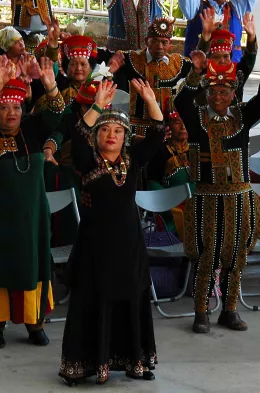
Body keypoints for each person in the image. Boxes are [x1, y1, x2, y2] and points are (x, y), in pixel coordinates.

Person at [59, 79, 168, 386]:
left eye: (118, 131)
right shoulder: (86, 160)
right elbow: (77, 134)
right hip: (95, 249)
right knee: (95, 301)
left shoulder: (132, 161)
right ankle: (87, 365)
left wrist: (151, 101)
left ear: (125, 138)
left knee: (131, 300)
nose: (111, 135)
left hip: (129, 248)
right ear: (98, 136)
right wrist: (97, 105)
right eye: (105, 130)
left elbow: (158, 134)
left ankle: (133, 361)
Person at [174, 47, 260, 333]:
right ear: (206, 94)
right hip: (207, 196)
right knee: (207, 254)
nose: (218, 97)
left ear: (233, 93)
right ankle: (201, 311)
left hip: (239, 197)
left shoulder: (242, 116)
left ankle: (230, 309)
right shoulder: (196, 119)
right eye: (213, 92)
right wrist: (195, 72)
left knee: (235, 253)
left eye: (224, 92)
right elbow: (181, 100)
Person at [0, 55, 66, 349]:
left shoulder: (32, 130)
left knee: (34, 264)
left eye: (15, 106)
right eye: (2, 107)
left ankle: (34, 323)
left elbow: (57, 116)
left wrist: (49, 85)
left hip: (34, 219)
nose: (10, 113)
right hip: (2, 220)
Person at [113, 17, 192, 137]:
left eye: (164, 42)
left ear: (170, 44)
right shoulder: (130, 59)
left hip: (167, 127)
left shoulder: (178, 63)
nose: (159, 46)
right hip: (137, 128)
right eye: (155, 41)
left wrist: (205, 40)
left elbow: (198, 69)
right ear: (146, 41)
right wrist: (109, 70)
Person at [147, 96, 195, 239]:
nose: (183, 127)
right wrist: (171, 207)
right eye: (177, 122)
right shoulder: (160, 151)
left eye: (186, 122)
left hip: (197, 205)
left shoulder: (196, 148)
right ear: (167, 124)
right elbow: (152, 184)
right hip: (170, 210)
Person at [195, 8, 257, 102]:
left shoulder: (237, 73)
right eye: (216, 57)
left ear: (230, 57)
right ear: (209, 58)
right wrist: (206, 35)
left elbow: (249, 60)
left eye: (226, 56)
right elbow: (199, 59)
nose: (222, 60)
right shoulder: (203, 73)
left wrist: (251, 38)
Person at [179, 0, 256, 62]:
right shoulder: (196, 6)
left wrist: (252, 37)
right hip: (199, 75)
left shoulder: (237, 8)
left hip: (231, 75)